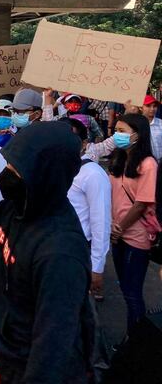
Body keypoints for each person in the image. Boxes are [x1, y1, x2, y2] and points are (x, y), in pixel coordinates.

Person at [0, 121, 92, 384]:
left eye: (16, 169)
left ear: (43, 175)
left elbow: (53, 344)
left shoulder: (60, 253)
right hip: (2, 368)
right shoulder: (15, 207)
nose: (7, 175)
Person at [108, 113, 158, 334]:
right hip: (116, 234)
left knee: (132, 293)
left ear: (137, 135)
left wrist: (120, 229)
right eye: (116, 130)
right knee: (126, 290)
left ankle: (137, 342)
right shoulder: (118, 159)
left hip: (136, 237)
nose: (117, 135)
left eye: (122, 131)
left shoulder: (148, 164)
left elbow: (141, 204)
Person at [65, 117, 112, 301]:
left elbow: (100, 222)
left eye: (72, 140)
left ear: (84, 143)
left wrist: (97, 267)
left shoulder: (93, 174)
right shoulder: (58, 166)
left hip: (80, 249)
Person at [141, 94, 162, 160]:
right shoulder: (136, 124)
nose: (152, 109)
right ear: (141, 107)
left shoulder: (160, 123)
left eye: (154, 106)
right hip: (143, 164)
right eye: (148, 106)